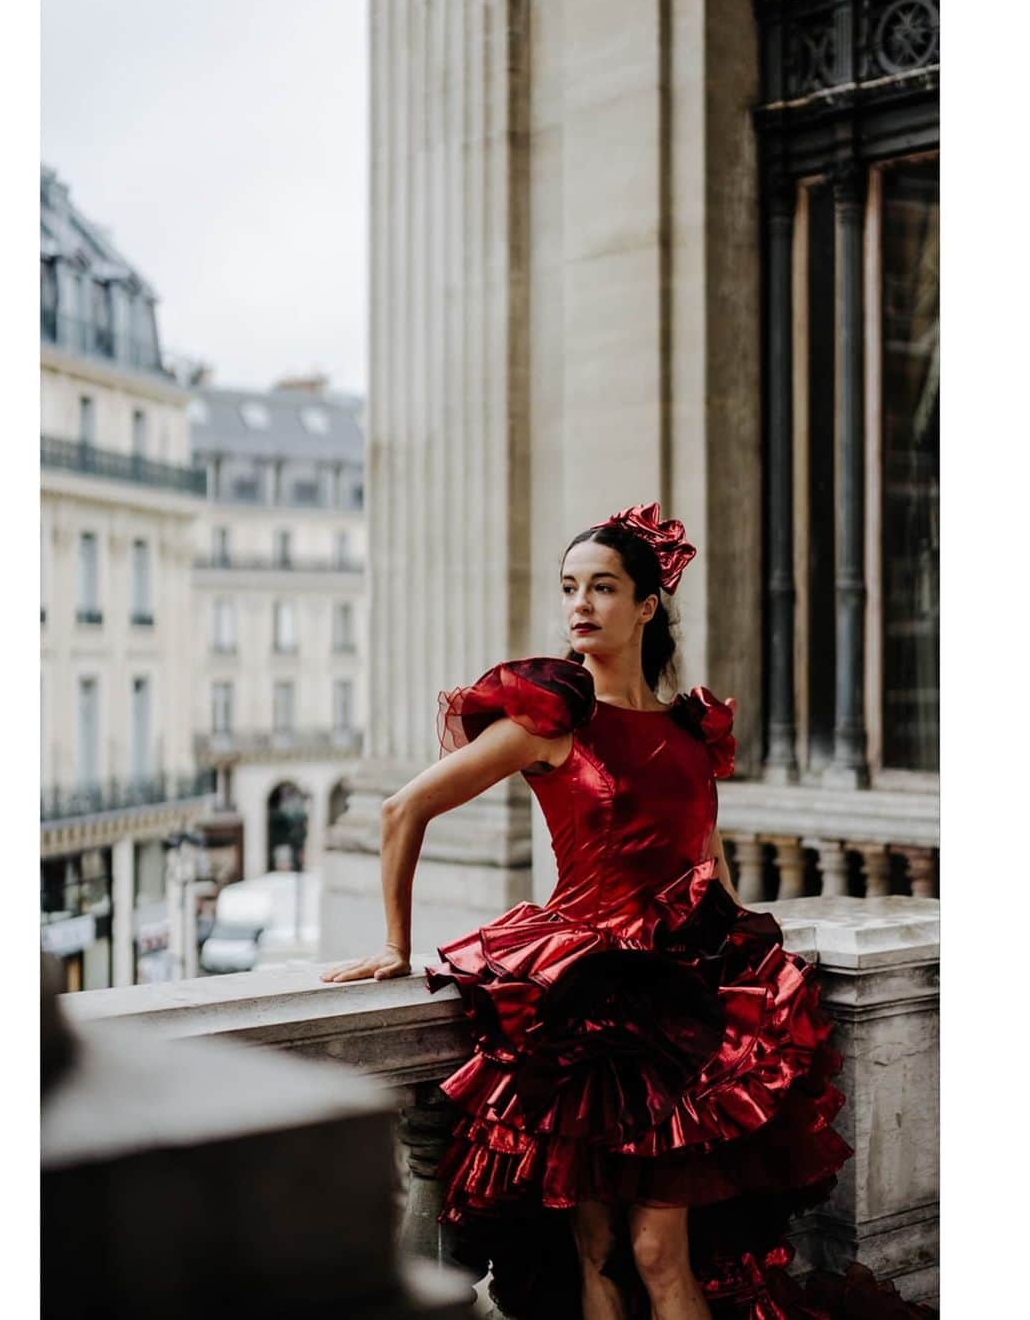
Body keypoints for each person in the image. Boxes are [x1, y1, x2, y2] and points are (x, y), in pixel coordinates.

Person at [321, 504, 928, 1320]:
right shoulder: (549, 722)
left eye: (603, 588)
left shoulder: (689, 732)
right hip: (587, 1004)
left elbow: (705, 861)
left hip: (684, 1008)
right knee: (596, 1254)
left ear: (647, 606)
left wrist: (761, 963)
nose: (580, 605)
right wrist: (394, 945)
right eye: (570, 587)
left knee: (659, 1252)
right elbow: (402, 811)